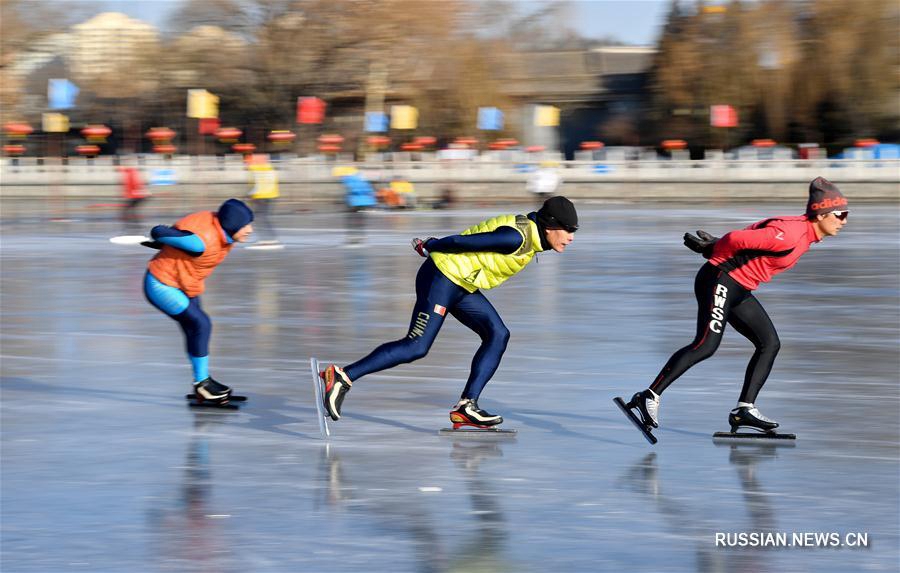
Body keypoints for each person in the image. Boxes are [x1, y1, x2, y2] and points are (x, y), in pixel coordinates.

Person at [319, 196, 578, 428]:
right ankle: (342, 376)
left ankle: (467, 407)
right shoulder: (515, 238)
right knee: (416, 346)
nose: (571, 237)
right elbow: (463, 242)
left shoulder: (530, 237)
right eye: (568, 230)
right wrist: (432, 245)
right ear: (550, 226)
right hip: (441, 278)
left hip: (461, 283)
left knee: (498, 334)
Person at [622, 177, 848, 434]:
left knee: (769, 343)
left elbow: (752, 235)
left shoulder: (802, 233)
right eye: (839, 214)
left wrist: (717, 246)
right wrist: (716, 248)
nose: (844, 221)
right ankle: (648, 396)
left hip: (739, 288)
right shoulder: (791, 234)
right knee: (705, 344)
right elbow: (738, 238)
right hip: (720, 280)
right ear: (820, 214)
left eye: (845, 214)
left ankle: (744, 410)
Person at [142, 199, 254, 404]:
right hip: (161, 284)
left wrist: (169, 242)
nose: (250, 230)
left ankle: (202, 383)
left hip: (186, 283)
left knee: (195, 329)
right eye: (245, 225)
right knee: (201, 324)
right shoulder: (200, 242)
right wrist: (165, 239)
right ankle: (202, 384)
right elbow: (159, 231)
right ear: (232, 224)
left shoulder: (223, 233)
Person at [245, 154, 280, 246]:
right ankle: (271, 238)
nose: (246, 164)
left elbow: (255, 185)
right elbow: (274, 182)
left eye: (247, 162)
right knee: (264, 217)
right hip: (272, 195)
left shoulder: (254, 170)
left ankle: (267, 239)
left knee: (259, 217)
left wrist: (250, 195)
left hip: (261, 196)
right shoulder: (269, 169)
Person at [119, 166, 149, 234]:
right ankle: (135, 224)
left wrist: (138, 192)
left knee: (126, 210)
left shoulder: (131, 174)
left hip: (136, 196)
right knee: (131, 210)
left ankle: (132, 225)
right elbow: (132, 185)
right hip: (136, 196)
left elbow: (135, 185)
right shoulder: (131, 174)